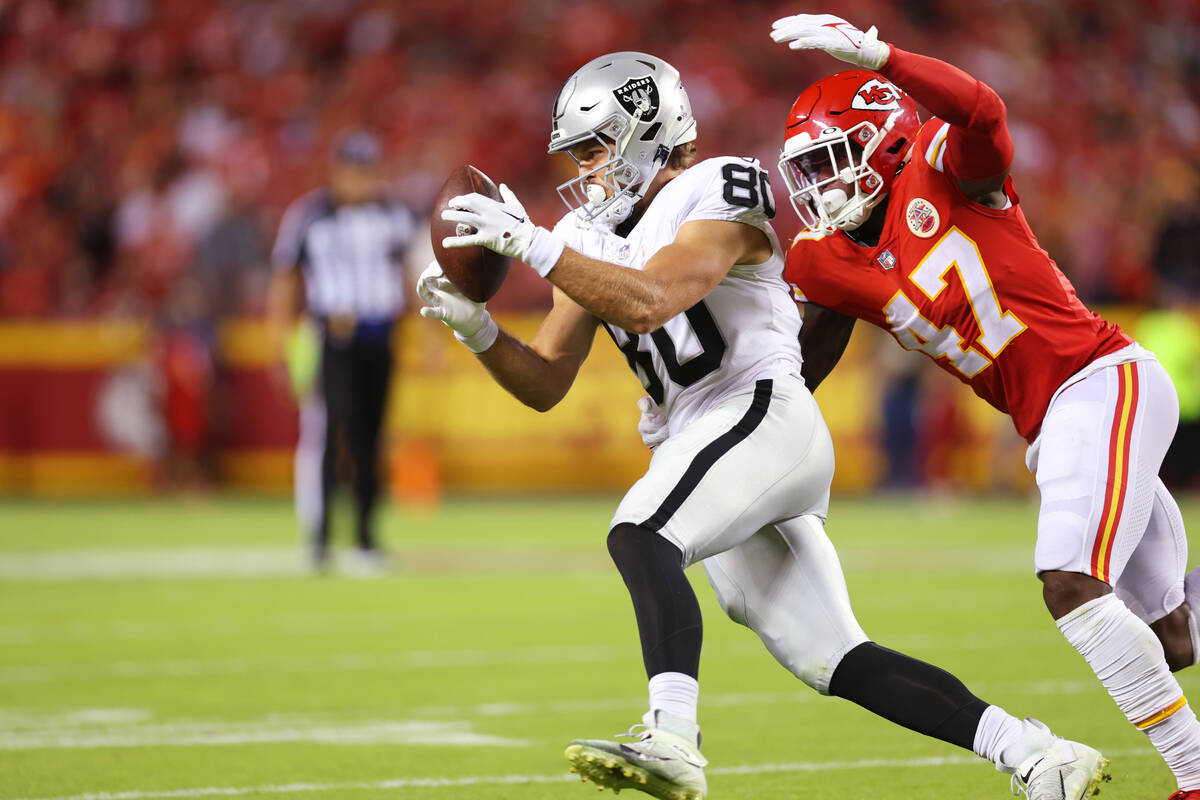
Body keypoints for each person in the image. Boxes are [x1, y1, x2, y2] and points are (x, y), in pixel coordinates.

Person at [418, 50, 1106, 800]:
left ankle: (673, 737)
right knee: (837, 658)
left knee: (641, 532)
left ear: (649, 129)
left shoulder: (719, 187)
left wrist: (535, 246)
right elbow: (547, 380)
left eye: (594, 146)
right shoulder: (586, 230)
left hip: (759, 411)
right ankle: (1038, 752)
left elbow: (654, 299)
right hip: (703, 441)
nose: (584, 170)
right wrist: (478, 330)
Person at [769, 13, 1200, 799]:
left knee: (1069, 582)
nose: (819, 187)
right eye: (809, 171)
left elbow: (984, 112)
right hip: (1051, 422)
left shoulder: (946, 167)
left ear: (886, 141)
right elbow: (808, 353)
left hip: (1103, 380)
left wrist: (884, 57)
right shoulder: (827, 258)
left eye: (832, 161)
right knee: (1171, 640)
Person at [267, 129, 416, 574]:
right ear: (338, 172)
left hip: (380, 333)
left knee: (373, 437)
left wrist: (425, 336)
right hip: (332, 335)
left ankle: (366, 539)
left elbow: (411, 276)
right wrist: (279, 342)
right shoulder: (310, 215)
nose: (362, 180)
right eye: (355, 170)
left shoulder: (394, 214)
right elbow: (284, 279)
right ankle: (320, 538)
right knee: (331, 432)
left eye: (368, 170)